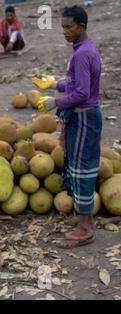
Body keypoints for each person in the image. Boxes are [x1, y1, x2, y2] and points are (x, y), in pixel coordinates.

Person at [32, 5, 102, 248]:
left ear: (81, 26)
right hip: (82, 118)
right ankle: (85, 221)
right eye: (62, 26)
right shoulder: (83, 49)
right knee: (80, 167)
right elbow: (75, 83)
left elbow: (82, 92)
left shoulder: (83, 54)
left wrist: (55, 102)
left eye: (68, 27)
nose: (64, 31)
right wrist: (54, 84)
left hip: (84, 118)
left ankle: (85, 228)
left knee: (83, 171)